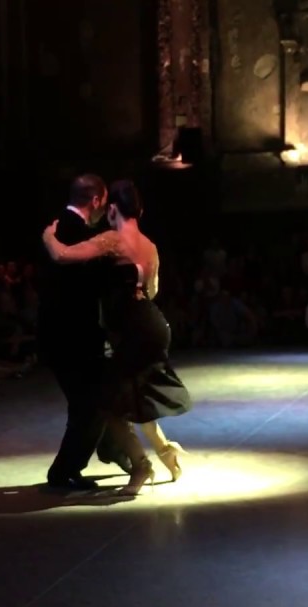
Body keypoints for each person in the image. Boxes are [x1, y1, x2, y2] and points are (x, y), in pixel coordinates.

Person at [42, 180, 192, 496]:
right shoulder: (150, 245)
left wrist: (48, 236)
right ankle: (165, 452)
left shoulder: (112, 239)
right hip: (153, 325)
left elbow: (63, 255)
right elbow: (152, 291)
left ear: (112, 209)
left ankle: (141, 466)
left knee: (108, 404)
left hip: (133, 331)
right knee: (135, 397)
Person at [37, 174, 132, 492]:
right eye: (102, 203)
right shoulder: (88, 236)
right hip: (77, 336)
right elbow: (93, 283)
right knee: (88, 405)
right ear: (96, 201)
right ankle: (65, 471)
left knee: (89, 402)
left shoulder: (53, 229)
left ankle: (105, 452)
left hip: (54, 332)